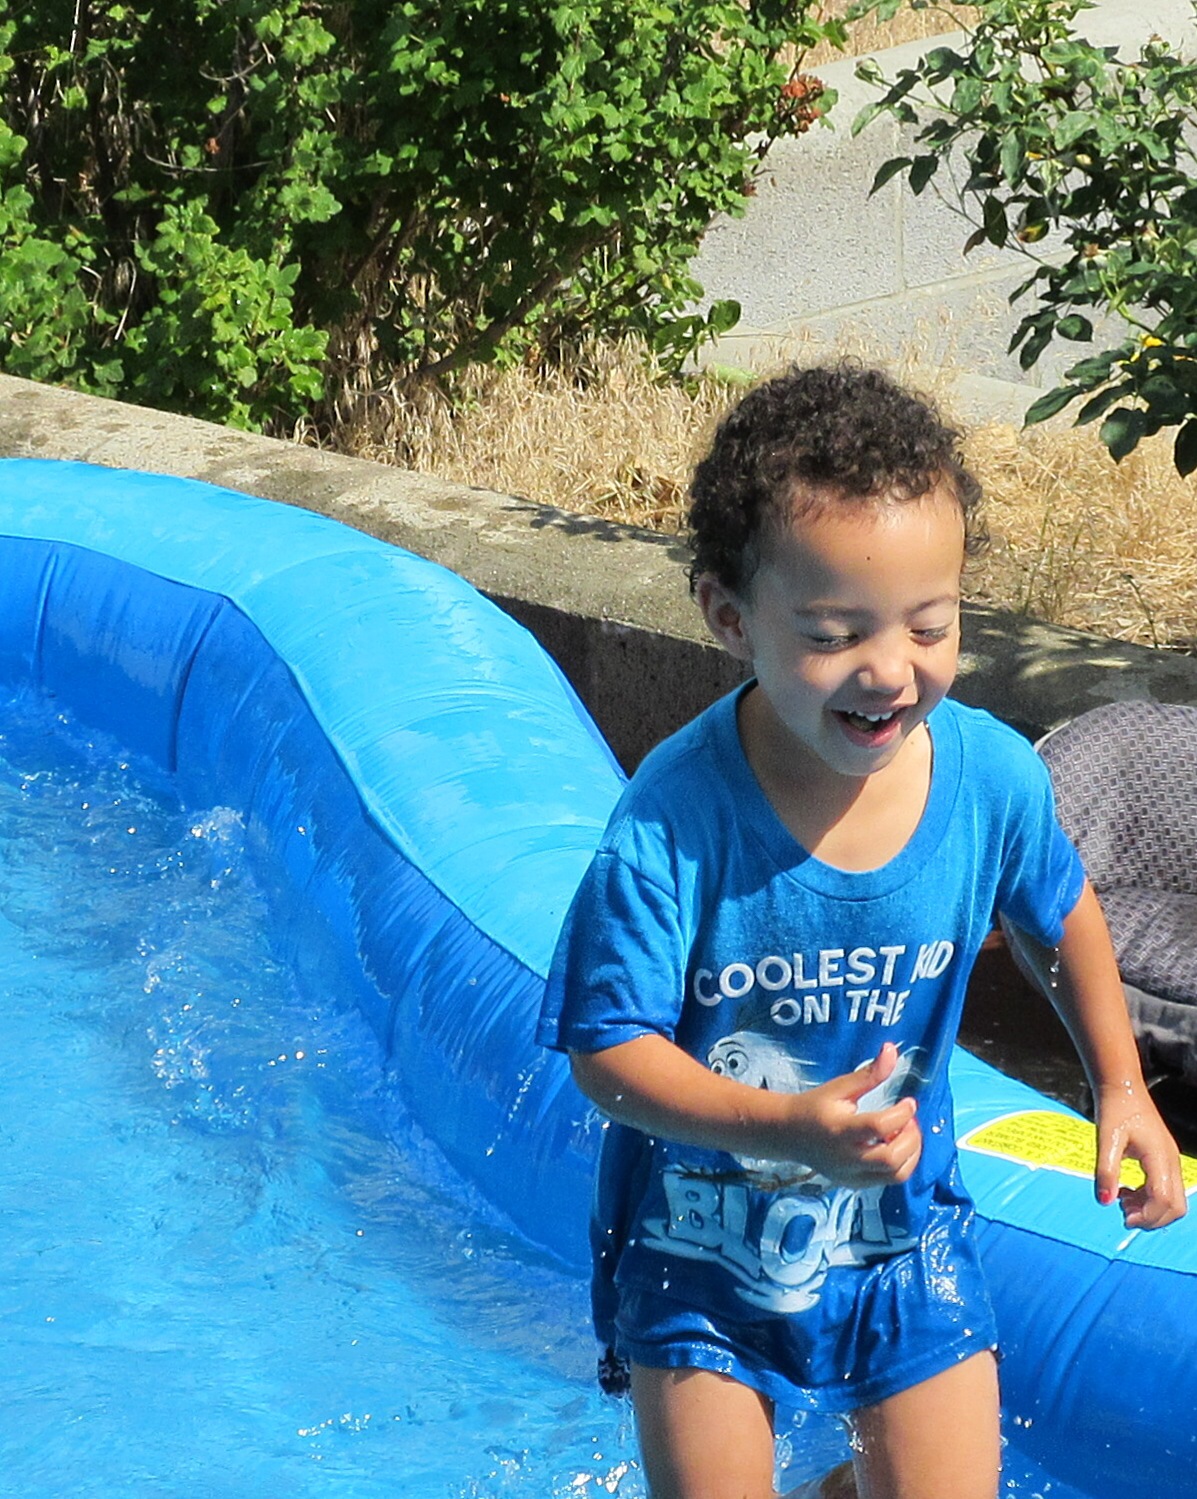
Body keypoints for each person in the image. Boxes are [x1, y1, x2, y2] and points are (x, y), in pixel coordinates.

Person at [536, 363, 1187, 1499]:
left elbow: (1060, 906)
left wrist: (1120, 1084)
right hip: (701, 1245)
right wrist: (787, 1126)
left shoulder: (987, 780)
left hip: (902, 1235)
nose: (891, 668)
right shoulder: (675, 820)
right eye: (836, 633)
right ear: (729, 618)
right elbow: (606, 1050)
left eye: (931, 624)